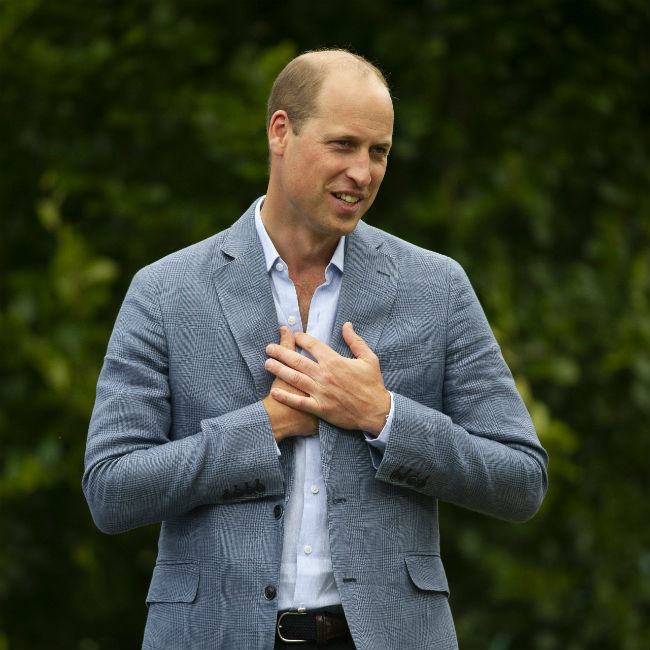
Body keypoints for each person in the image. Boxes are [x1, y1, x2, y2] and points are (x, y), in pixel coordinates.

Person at [83, 49, 548, 650]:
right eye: (343, 145)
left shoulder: (437, 288)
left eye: (378, 152)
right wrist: (266, 425)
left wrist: (383, 417)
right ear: (281, 131)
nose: (363, 172)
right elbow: (111, 489)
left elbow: (521, 479)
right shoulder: (166, 290)